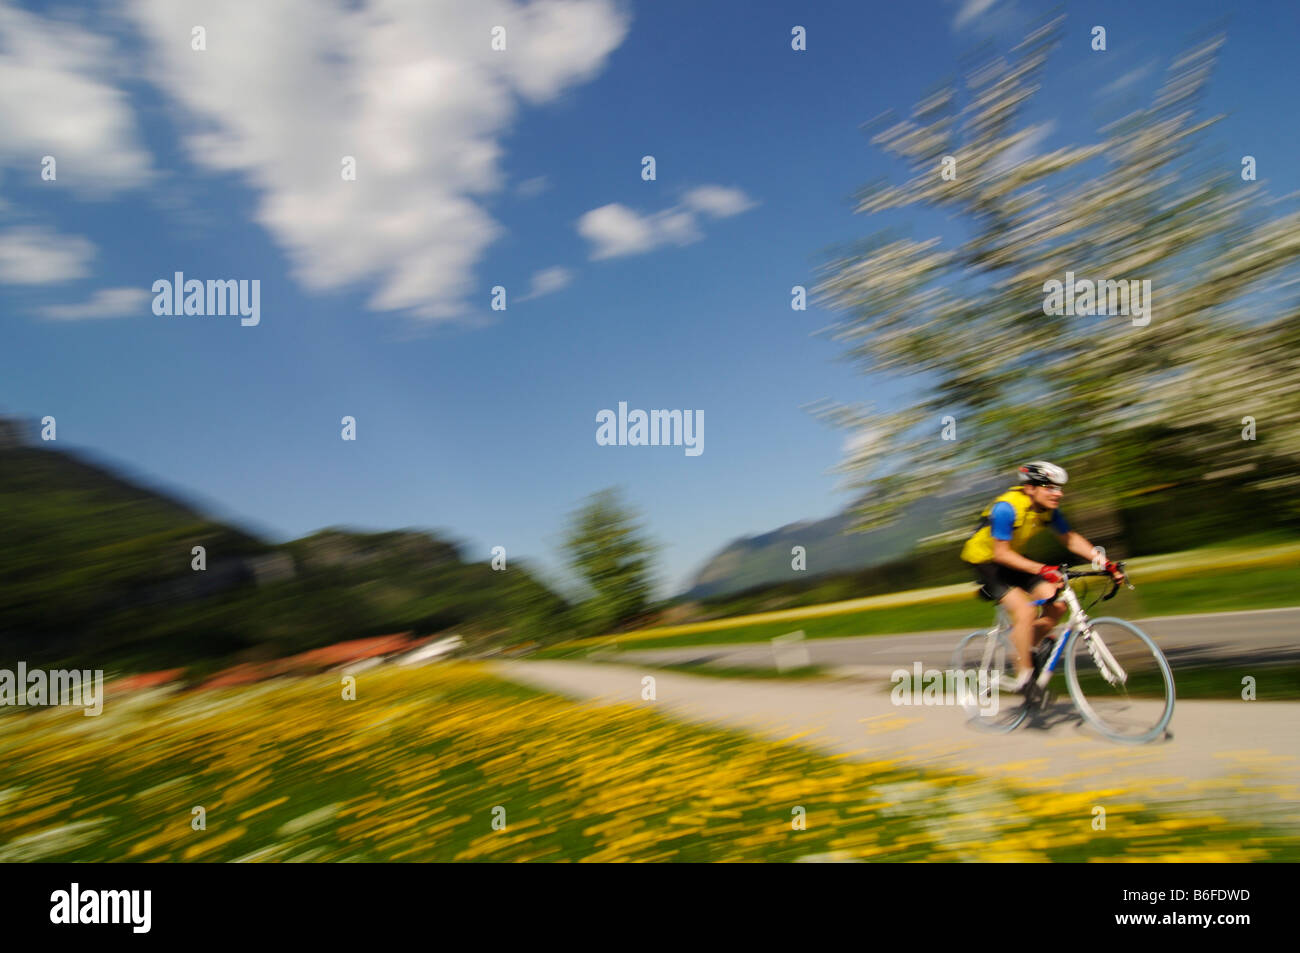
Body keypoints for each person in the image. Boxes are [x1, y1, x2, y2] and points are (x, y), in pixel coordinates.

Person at [960, 461, 1124, 694]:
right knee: (1025, 611)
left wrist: (1106, 564)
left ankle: (1027, 648)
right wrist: (1043, 569)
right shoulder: (1007, 508)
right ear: (1030, 488)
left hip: (1012, 558)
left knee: (1055, 604)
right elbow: (1001, 554)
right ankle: (1025, 680)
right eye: (1050, 487)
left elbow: (1070, 540)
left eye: (1059, 488)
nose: (1058, 493)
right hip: (985, 560)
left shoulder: (1049, 511)